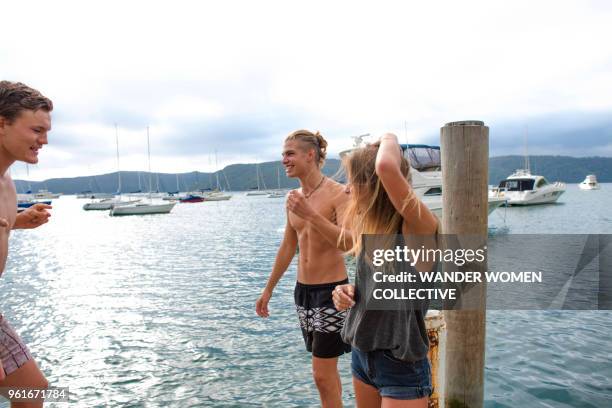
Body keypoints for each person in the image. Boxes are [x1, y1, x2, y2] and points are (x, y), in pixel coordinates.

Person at [332, 133, 439, 407]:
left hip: (400, 364)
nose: (346, 190)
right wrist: (348, 292)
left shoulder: (418, 230)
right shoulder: (374, 234)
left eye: (353, 182)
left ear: (374, 186)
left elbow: (386, 167)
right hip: (362, 353)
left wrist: (388, 137)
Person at [256, 130, 352, 407]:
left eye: (290, 153)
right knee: (324, 374)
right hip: (303, 293)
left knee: (321, 374)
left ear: (310, 155)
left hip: (333, 292)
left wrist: (310, 214)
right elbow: (288, 247)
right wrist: (268, 290)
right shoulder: (294, 197)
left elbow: (348, 241)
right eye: (283, 155)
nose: (284, 160)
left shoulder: (338, 193)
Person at [0, 80, 53, 407]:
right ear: (2, 123)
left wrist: (17, 220)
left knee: (32, 391)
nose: (43, 141)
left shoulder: (7, 184)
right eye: (36, 130)